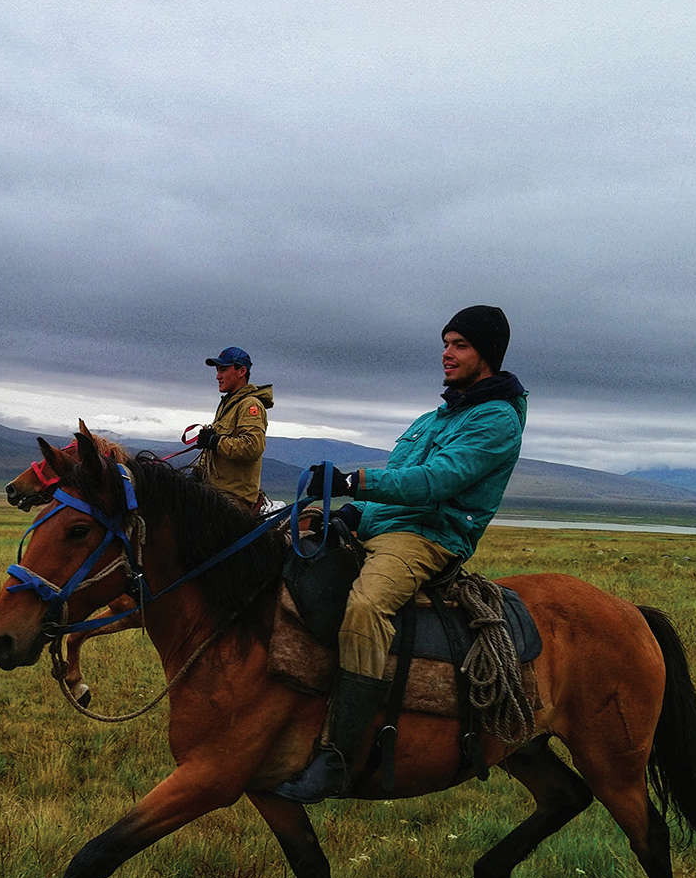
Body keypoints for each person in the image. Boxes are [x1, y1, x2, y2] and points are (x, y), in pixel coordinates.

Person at [276, 305, 526, 803]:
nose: (446, 353)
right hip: (386, 526)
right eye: (446, 342)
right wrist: (351, 514)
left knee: (366, 608)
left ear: (487, 355)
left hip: (430, 537)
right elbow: (396, 482)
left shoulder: (496, 421)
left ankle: (338, 757)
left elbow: (437, 482)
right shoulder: (434, 417)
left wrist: (352, 482)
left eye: (460, 345)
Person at [192, 346, 273, 508]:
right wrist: (197, 473)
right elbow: (215, 453)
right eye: (217, 371)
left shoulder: (250, 405)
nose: (217, 376)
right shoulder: (228, 403)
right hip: (215, 491)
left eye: (222, 370)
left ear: (241, 371)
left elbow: (253, 447)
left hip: (234, 499)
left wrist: (215, 441)